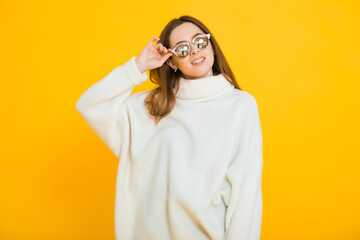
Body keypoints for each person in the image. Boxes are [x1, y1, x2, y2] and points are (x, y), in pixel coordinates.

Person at [76, 15, 264, 240]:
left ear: (211, 46)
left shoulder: (240, 105)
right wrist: (138, 66)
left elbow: (245, 193)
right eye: (182, 49)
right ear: (172, 62)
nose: (194, 51)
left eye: (200, 42)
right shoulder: (153, 105)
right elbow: (89, 104)